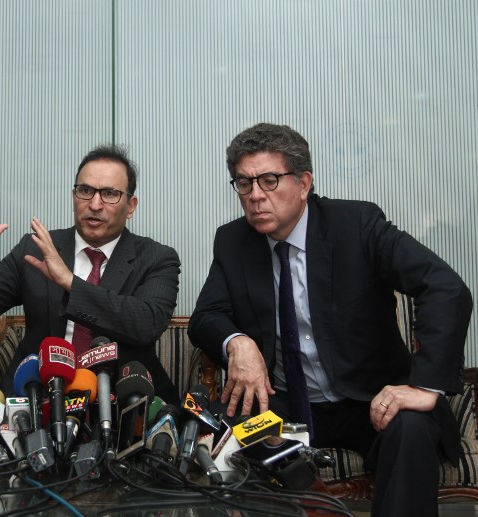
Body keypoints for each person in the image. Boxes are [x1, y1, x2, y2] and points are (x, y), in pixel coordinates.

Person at [188, 123, 472, 517]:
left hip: (371, 399)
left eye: (269, 180)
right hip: (284, 404)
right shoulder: (233, 240)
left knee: (411, 429)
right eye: (243, 183)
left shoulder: (357, 225)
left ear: (304, 183)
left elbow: (445, 287)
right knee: (223, 441)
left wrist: (424, 385)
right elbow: (206, 316)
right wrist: (238, 342)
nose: (255, 196)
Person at [0, 144, 181, 403]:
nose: (95, 204)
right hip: (39, 398)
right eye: (86, 191)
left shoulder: (156, 258)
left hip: (123, 402)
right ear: (74, 195)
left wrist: (69, 282)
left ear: (131, 205)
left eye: (110, 193)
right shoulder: (36, 248)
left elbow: (146, 324)